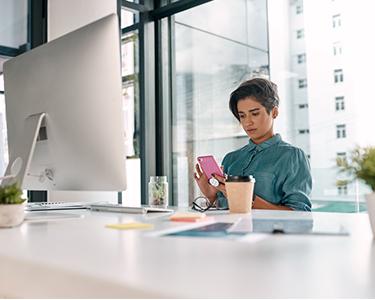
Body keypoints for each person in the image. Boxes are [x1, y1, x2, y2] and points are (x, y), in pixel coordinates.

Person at [193, 78, 312, 211]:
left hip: (269, 231)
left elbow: (300, 212)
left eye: (254, 114)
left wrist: (246, 198)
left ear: (274, 112)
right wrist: (212, 197)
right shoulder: (231, 159)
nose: (247, 122)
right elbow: (224, 211)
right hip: (231, 230)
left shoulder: (292, 156)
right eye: (242, 116)